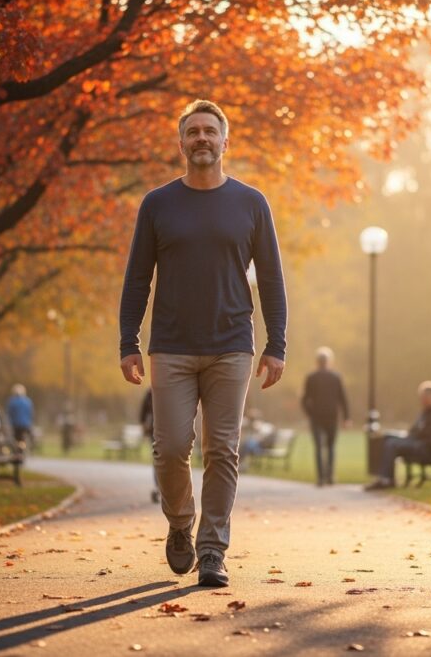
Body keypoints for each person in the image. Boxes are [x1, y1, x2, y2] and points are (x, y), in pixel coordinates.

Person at [119, 99, 287, 588]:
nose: (201, 139)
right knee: (170, 448)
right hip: (169, 344)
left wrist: (277, 343)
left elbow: (272, 280)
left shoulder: (252, 203)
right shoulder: (157, 204)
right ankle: (179, 523)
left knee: (223, 449)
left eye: (210, 131)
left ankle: (213, 549)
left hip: (232, 344)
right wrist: (128, 340)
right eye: (192, 132)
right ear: (181, 143)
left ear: (224, 141)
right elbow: (137, 278)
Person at [365, 380, 431, 490]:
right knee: (386, 437)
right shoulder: (426, 413)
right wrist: (406, 436)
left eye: (423, 398)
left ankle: (387, 480)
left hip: (425, 449)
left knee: (392, 444)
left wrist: (413, 438)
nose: (421, 401)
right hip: (417, 442)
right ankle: (382, 476)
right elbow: (414, 431)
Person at [300, 346, 350, 486]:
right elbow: (343, 399)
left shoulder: (311, 378)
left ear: (317, 362)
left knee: (319, 447)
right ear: (329, 361)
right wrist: (346, 417)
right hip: (332, 416)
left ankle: (321, 478)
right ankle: (330, 476)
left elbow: (304, 400)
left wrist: (309, 414)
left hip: (317, 417)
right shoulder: (336, 377)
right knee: (331, 447)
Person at [140, 389, 160, 503]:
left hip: (169, 429)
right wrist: (144, 426)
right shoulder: (149, 393)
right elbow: (143, 412)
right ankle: (158, 487)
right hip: (154, 430)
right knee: (157, 457)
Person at [6, 383, 34, 448]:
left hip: (15, 423)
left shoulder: (12, 401)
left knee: (17, 438)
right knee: (23, 438)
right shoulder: (27, 401)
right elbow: (30, 413)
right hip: (25, 423)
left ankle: (18, 449)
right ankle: (22, 449)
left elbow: (9, 413)